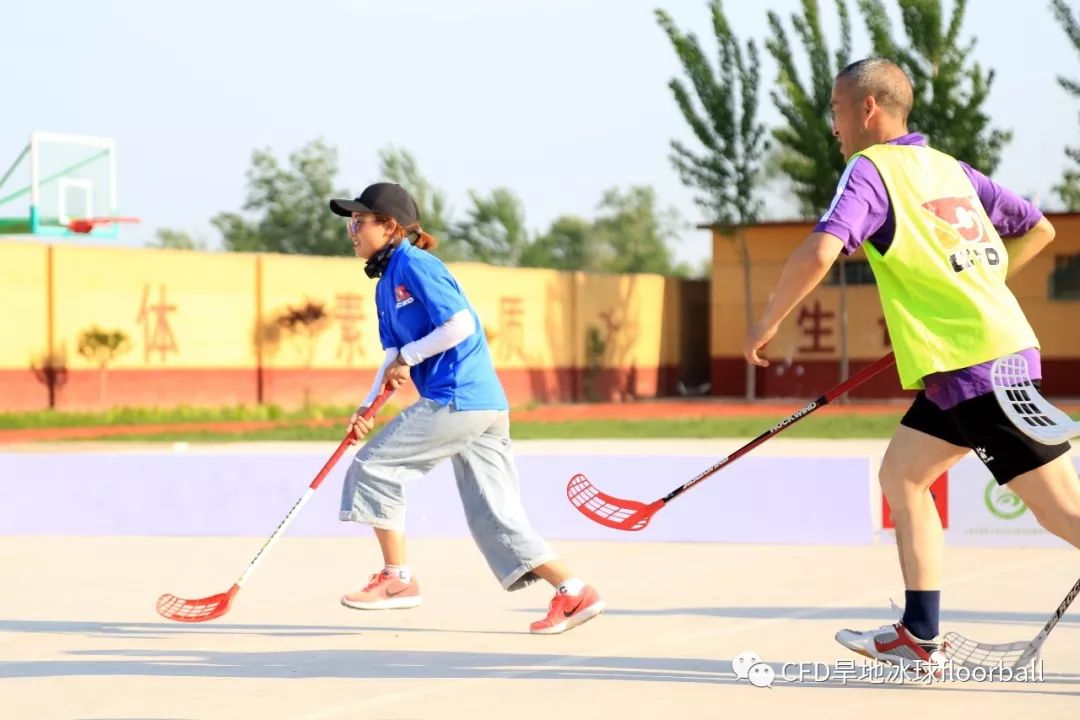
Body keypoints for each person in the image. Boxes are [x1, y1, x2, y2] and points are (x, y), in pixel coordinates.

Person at [743, 58, 1080, 669]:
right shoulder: (946, 168)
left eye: (837, 110)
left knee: (1063, 511)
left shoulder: (870, 169)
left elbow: (822, 249)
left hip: (982, 366)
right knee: (903, 476)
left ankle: (919, 634)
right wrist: (966, 292)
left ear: (867, 108)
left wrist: (767, 322)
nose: (835, 125)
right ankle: (919, 636)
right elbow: (1040, 230)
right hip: (962, 366)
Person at [328, 182, 605, 635]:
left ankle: (398, 579)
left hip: (458, 396)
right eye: (350, 222)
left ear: (391, 226)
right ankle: (573, 591)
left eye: (360, 221)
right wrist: (366, 406)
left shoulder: (415, 265)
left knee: (374, 467)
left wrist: (411, 357)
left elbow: (460, 324)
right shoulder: (385, 281)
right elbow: (391, 355)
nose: (351, 230)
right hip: (481, 405)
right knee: (494, 514)